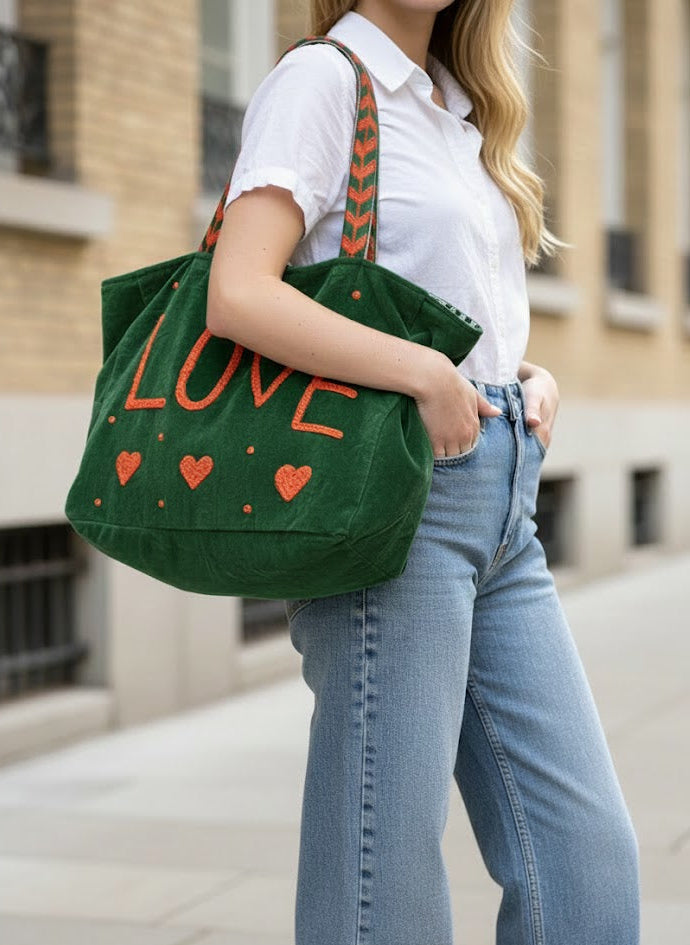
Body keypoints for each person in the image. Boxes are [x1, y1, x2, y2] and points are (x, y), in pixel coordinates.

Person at [206, 2, 641, 943]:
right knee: (383, 880)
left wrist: (522, 377)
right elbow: (238, 291)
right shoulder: (324, 81)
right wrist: (422, 372)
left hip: (505, 507)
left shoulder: (458, 108)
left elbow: (443, 303)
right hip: (394, 506)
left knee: (586, 859)